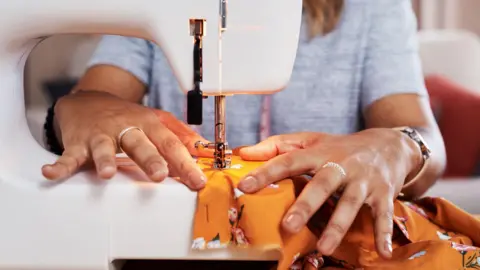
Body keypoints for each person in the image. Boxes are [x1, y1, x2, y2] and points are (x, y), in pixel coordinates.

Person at [42, 0, 446, 263]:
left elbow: (424, 140)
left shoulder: (375, 9)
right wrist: (79, 108)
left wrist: (403, 146)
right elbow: (96, 99)